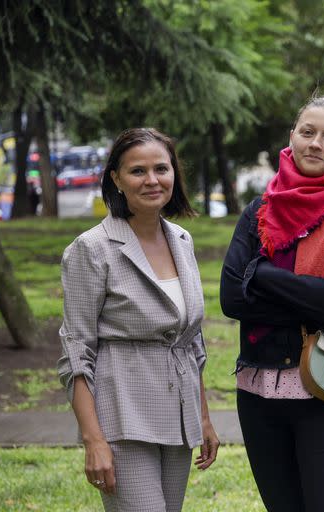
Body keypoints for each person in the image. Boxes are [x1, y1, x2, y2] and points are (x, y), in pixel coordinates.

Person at [220, 95, 324, 512]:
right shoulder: (259, 211)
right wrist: (311, 296)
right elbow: (231, 298)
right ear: (292, 136)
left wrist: (260, 274)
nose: (316, 143)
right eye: (307, 132)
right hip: (259, 393)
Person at [57, 128, 219, 512]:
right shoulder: (91, 249)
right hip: (121, 412)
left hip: (179, 415)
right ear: (116, 178)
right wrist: (93, 440)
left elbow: (191, 341)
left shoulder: (181, 240)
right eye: (137, 171)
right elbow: (76, 351)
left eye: (161, 168)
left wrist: (204, 419)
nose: (152, 180)